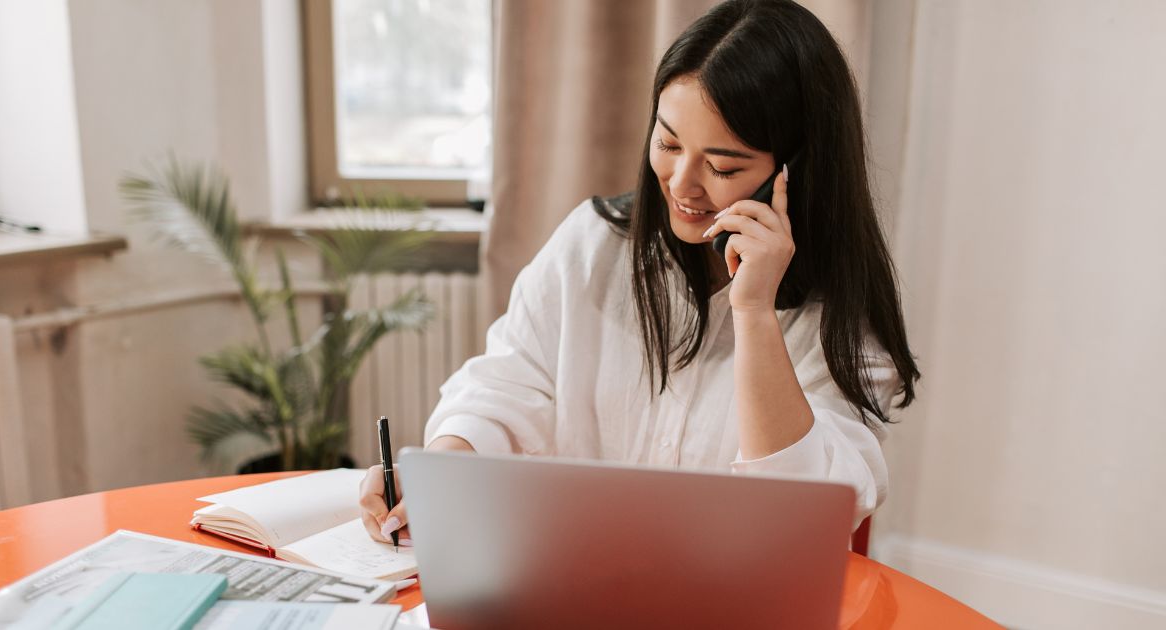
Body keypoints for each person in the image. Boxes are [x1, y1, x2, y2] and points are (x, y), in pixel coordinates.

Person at [360, 0, 919, 546]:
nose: (680, 183)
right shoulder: (594, 243)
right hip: (572, 583)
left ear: (794, 172)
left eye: (722, 166)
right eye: (668, 142)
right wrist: (444, 474)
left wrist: (754, 315)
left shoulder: (844, 315)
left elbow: (802, 518)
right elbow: (506, 384)